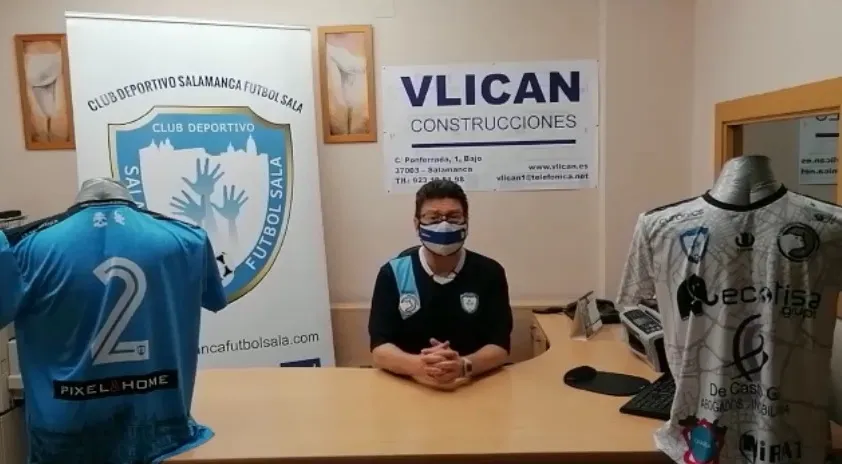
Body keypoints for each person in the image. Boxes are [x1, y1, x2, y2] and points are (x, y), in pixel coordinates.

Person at [0, 178, 228, 463]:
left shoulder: (21, 247)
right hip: (161, 429)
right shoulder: (187, 239)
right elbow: (214, 299)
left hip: (63, 431)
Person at [368, 179, 513, 389]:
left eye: (454, 217)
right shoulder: (393, 273)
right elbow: (379, 348)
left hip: (473, 386)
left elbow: (500, 346)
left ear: (466, 222)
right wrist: (420, 366)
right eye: (433, 217)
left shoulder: (490, 272)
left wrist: (463, 366)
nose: (444, 225)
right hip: (408, 386)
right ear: (417, 223)